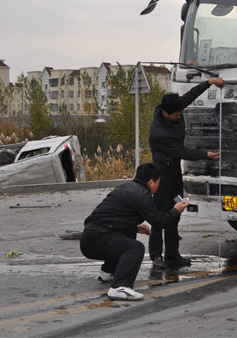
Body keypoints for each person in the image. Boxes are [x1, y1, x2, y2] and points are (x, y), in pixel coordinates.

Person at [80, 163, 188, 301]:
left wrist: (135, 227)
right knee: (136, 248)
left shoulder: (125, 188)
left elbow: (109, 218)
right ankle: (119, 287)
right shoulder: (142, 195)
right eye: (158, 182)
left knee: (129, 234)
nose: (158, 186)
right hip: (97, 240)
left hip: (90, 237)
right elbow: (160, 222)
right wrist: (176, 210)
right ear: (151, 182)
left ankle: (108, 271)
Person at [149, 77, 225, 269]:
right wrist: (207, 155)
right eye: (176, 115)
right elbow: (182, 152)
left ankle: (173, 255)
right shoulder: (159, 134)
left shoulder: (174, 107)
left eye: (180, 113)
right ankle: (156, 256)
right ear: (165, 113)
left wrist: (209, 82)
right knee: (159, 215)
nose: (179, 117)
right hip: (162, 176)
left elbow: (190, 95)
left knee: (176, 210)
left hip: (174, 172)